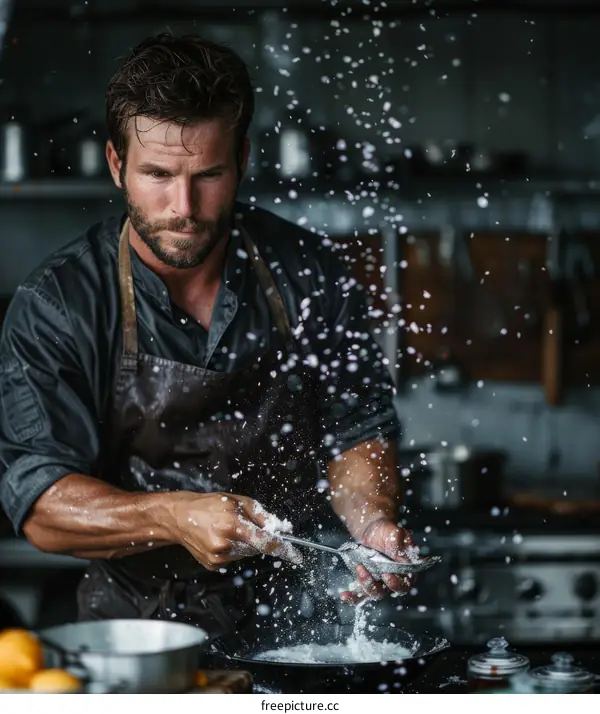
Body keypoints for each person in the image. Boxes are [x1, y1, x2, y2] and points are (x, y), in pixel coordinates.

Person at [0, 33, 414, 639]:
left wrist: (373, 521)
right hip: (139, 639)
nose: (184, 205)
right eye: (158, 175)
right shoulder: (59, 305)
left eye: (209, 174)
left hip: (298, 630)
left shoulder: (310, 273)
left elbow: (357, 432)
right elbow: (41, 503)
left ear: (242, 158)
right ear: (118, 165)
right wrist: (172, 514)